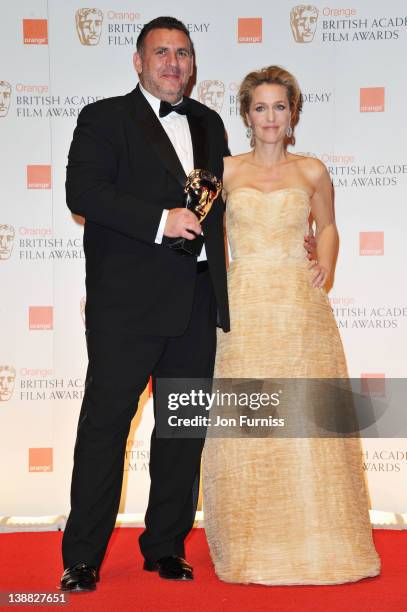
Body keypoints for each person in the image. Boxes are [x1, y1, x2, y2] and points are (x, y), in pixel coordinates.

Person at [60, 16, 230, 591]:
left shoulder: (209, 122)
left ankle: (165, 546)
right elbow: (82, 192)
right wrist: (161, 222)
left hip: (195, 304)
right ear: (138, 61)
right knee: (105, 430)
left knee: (180, 431)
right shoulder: (104, 117)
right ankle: (81, 556)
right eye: (161, 52)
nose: (173, 63)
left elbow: (222, 206)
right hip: (126, 309)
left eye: (183, 53)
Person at [202, 66, 381, 585]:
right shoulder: (226, 172)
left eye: (280, 106)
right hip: (245, 307)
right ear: (246, 113)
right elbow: (204, 235)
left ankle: (322, 540)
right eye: (261, 107)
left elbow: (327, 226)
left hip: (301, 308)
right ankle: (251, 545)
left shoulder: (312, 171)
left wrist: (324, 263)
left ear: (294, 112)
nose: (271, 117)